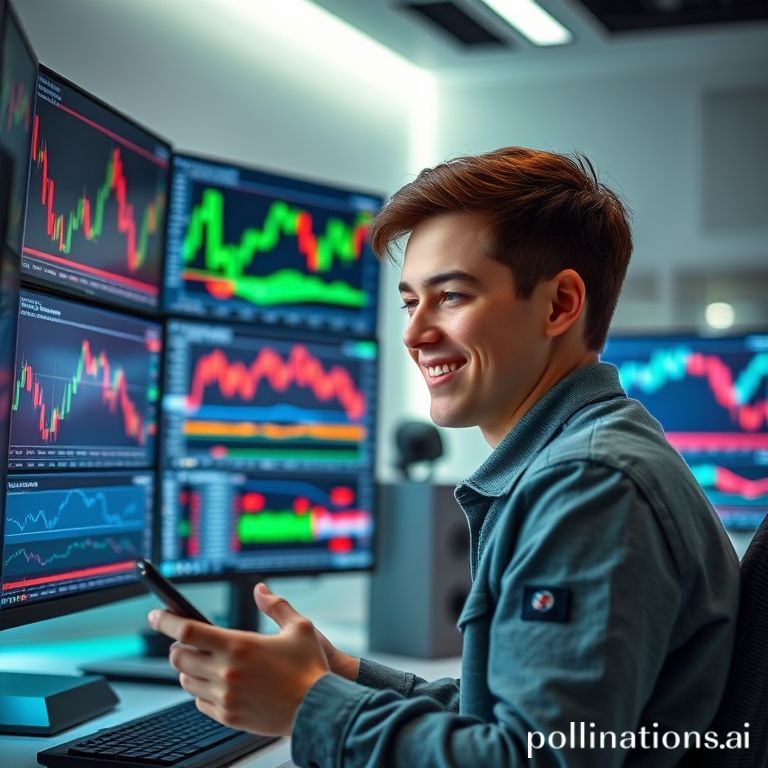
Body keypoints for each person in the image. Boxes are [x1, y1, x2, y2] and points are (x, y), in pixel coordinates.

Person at [149, 147, 740, 767]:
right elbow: (510, 715)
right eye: (410, 302)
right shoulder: (582, 458)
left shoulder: (589, 487)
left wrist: (307, 708)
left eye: (451, 296)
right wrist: (339, 675)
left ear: (560, 305)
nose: (414, 333)